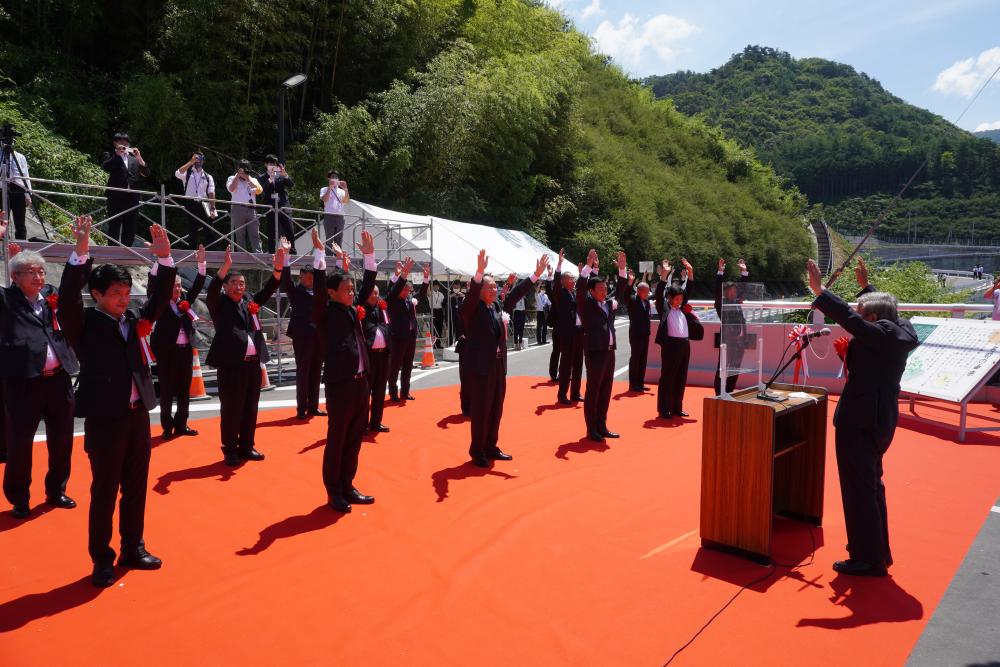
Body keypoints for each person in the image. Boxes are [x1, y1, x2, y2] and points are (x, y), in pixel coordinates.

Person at [58, 218, 176, 588]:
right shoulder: (84, 324)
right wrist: (80, 254)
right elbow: (65, 303)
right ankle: (101, 559)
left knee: (136, 486)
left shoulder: (133, 321)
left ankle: (133, 546)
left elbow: (157, 300)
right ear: (96, 295)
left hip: (137, 414)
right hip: (105, 419)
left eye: (126, 293)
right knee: (105, 491)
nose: (123, 300)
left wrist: (165, 259)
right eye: (115, 294)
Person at [808, 257, 919, 577]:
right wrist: (867, 287)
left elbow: (851, 319)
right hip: (880, 420)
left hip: (859, 422)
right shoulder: (901, 330)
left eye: (863, 313)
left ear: (872, 319)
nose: (857, 317)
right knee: (871, 488)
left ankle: (866, 558)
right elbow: (885, 313)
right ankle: (875, 551)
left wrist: (820, 291)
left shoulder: (879, 335)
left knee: (858, 491)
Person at [0, 213, 79, 518]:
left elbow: (72, 286)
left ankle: (57, 489)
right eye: (30, 272)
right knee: (20, 443)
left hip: (58, 379)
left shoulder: (50, 299)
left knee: (62, 439)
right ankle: (19, 497)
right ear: (16, 277)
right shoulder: (7, 301)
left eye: (41, 272)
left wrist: (80, 246)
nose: (38, 277)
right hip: (23, 381)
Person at [310, 228, 377, 512]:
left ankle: (348, 484)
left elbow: (365, 287)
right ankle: (333, 490)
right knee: (337, 439)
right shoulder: (325, 313)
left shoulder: (352, 309)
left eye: (352, 290)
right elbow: (318, 291)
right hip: (341, 384)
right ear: (331, 293)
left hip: (362, 383)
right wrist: (319, 255)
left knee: (354, 438)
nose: (351, 293)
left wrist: (370, 257)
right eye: (346, 290)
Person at [461, 249, 549, 467]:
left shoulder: (497, 306)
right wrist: (479, 273)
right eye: (489, 287)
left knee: (496, 408)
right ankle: (478, 450)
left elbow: (516, 294)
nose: (493, 290)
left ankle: (491, 445)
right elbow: (472, 296)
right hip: (481, 367)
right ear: (480, 290)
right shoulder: (472, 308)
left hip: (498, 366)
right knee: (481, 410)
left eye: (495, 287)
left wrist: (535, 276)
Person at [206, 241, 286, 466]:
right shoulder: (219, 303)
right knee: (232, 409)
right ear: (226, 286)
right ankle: (230, 449)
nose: (239, 287)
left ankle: (247, 445)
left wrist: (278, 270)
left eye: (242, 283)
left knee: (251, 407)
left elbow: (268, 290)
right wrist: (225, 267)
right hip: (231, 365)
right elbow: (212, 289)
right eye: (234, 283)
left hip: (253, 364)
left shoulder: (248, 302)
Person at [149, 245, 207, 439]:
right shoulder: (160, 301)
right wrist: (160, 259)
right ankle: (167, 426)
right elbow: (152, 283)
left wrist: (201, 264)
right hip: (167, 351)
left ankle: (182, 423)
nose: (177, 288)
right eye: (173, 285)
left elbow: (198, 285)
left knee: (184, 388)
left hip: (185, 350)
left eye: (179, 285)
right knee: (166, 390)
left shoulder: (185, 301)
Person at [577, 249, 625, 442]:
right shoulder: (586, 304)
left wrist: (622, 270)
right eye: (600, 290)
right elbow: (580, 289)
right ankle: (592, 428)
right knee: (594, 390)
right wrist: (588, 267)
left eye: (605, 289)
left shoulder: (607, 304)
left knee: (606, 390)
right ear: (592, 291)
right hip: (595, 352)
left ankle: (602, 424)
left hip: (609, 352)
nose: (604, 292)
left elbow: (621, 291)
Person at [360, 253, 404, 434]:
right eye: (372, 293)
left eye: (377, 293)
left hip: (384, 355)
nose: (375, 296)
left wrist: (402, 277)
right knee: (364, 395)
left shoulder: (382, 307)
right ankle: (361, 425)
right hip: (368, 357)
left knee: (379, 393)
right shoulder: (361, 307)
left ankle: (376, 422)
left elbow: (393, 294)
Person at [654, 258, 702, 419]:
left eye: (681, 299)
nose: (679, 301)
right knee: (668, 377)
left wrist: (690, 272)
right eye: (676, 299)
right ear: (670, 298)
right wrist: (664, 276)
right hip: (671, 346)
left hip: (684, 345)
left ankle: (677, 407)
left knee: (681, 377)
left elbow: (688, 290)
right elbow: (659, 296)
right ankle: (664, 408)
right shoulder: (665, 307)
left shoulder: (682, 308)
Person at [280, 261, 326, 420]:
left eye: (312, 277)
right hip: (302, 337)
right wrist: (285, 259)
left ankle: (314, 406)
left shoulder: (319, 291)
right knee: (303, 372)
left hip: (318, 336)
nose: (310, 280)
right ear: (300, 277)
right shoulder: (295, 291)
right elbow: (285, 280)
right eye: (307, 277)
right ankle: (302, 408)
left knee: (316, 371)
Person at [387, 263, 429, 402]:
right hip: (397, 338)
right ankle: (393, 393)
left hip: (410, 337)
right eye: (403, 290)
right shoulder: (392, 301)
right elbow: (391, 290)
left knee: (408, 366)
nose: (406, 292)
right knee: (394, 367)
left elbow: (422, 293)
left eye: (408, 290)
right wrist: (398, 275)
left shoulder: (410, 301)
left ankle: (405, 392)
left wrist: (426, 278)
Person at [101, 133, 149, 248]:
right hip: (116, 197)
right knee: (114, 225)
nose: (124, 144)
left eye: (126, 142)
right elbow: (106, 167)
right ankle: (112, 253)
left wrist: (139, 157)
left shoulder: (134, 159)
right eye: (121, 142)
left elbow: (146, 173)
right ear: (115, 143)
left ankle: (126, 253)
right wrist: (117, 155)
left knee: (130, 227)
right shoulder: (110, 155)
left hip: (132, 198)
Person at [713, 258, 750, 395]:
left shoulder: (736, 302)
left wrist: (744, 272)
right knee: (723, 368)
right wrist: (720, 272)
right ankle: (719, 393)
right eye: (730, 291)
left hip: (739, 342)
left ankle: (730, 391)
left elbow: (743, 289)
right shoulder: (721, 305)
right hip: (727, 341)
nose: (734, 293)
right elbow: (717, 292)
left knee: (735, 368)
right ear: (725, 293)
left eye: (735, 290)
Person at [553, 251, 583, 403]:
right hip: (568, 335)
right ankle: (562, 395)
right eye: (570, 279)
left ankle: (575, 393)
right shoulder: (560, 293)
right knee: (566, 366)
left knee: (578, 365)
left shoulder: (574, 293)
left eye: (573, 278)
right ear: (563, 281)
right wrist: (559, 264)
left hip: (579, 333)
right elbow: (556, 282)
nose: (573, 281)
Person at [175, 153, 218, 248]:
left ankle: (211, 253)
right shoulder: (187, 172)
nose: (197, 160)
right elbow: (178, 173)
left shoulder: (208, 176)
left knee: (209, 229)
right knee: (192, 229)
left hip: (205, 204)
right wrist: (191, 162)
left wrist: (213, 207)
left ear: (203, 160)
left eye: (199, 158)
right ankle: (192, 253)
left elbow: (211, 192)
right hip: (191, 203)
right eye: (195, 158)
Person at [622, 267, 653, 393]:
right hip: (636, 334)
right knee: (636, 358)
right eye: (646, 292)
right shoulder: (633, 300)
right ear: (639, 291)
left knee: (643, 359)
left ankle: (640, 382)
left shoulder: (646, 302)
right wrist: (630, 281)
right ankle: (633, 384)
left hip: (645, 334)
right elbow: (625, 295)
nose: (648, 293)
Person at [227, 160, 263, 253]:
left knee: (255, 233)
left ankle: (258, 254)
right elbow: (231, 189)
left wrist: (247, 179)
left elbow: (259, 191)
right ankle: (241, 254)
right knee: (240, 234)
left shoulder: (253, 179)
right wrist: (238, 176)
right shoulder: (232, 178)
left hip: (252, 209)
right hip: (238, 208)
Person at [260, 155, 295, 254]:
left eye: (274, 164)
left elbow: (291, 185)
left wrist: (285, 175)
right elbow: (262, 190)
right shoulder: (262, 177)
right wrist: (270, 179)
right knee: (272, 231)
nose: (272, 166)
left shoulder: (280, 175)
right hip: (271, 207)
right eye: (270, 164)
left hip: (283, 205)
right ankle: (272, 252)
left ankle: (292, 250)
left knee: (289, 228)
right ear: (265, 164)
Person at [2, 145, 32, 240]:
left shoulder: (20, 157)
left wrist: (28, 194)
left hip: (19, 189)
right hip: (2, 188)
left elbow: (25, 175)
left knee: (20, 223)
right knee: (2, 221)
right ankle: (3, 246)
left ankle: (20, 247)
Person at [320, 171, 349, 251]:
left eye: (336, 177)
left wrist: (346, 189)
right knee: (329, 240)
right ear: (328, 179)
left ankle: (338, 260)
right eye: (332, 177)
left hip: (340, 217)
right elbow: (324, 199)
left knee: (339, 240)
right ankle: (329, 260)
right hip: (329, 217)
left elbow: (346, 201)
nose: (335, 179)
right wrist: (330, 187)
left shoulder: (342, 191)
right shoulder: (324, 189)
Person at [448, 281, 464, 346]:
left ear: (460, 287)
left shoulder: (462, 295)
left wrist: (463, 296)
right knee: (451, 330)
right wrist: (450, 296)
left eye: (457, 287)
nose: (456, 289)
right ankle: (450, 344)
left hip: (460, 316)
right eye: (455, 287)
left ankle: (459, 344)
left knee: (459, 330)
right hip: (451, 315)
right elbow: (444, 303)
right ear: (452, 287)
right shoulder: (449, 294)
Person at [431, 281, 446, 349]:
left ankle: (438, 343)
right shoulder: (430, 293)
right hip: (433, 310)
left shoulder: (441, 294)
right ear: (433, 286)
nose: (436, 287)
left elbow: (444, 302)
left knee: (439, 328)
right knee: (433, 328)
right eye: (435, 286)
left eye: (438, 286)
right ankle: (433, 344)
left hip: (440, 311)